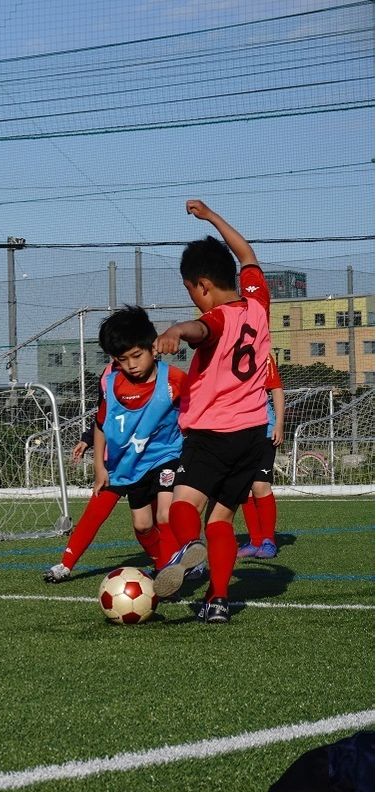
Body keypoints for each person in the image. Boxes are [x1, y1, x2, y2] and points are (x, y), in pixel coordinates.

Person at [153, 199, 272, 623]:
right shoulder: (258, 303)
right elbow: (247, 254)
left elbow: (200, 329)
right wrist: (212, 217)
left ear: (202, 286)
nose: (192, 297)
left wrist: (175, 329)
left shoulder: (217, 319)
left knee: (181, 506)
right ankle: (218, 600)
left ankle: (190, 549)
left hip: (212, 433)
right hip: (253, 432)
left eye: (189, 289)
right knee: (221, 517)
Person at [44, 307, 186, 582]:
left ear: (153, 348)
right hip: (122, 462)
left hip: (164, 457)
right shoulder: (110, 382)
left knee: (166, 514)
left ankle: (171, 572)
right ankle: (66, 564)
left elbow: (197, 412)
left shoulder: (175, 380)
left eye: (137, 356)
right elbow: (101, 423)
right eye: (122, 359)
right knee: (140, 525)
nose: (131, 364)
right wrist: (98, 465)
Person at [239, 352, 284, 559]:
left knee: (260, 485)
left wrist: (279, 424)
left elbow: (276, 389)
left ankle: (268, 540)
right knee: (245, 488)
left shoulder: (262, 355)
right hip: (236, 432)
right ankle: (255, 540)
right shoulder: (223, 354)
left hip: (264, 430)